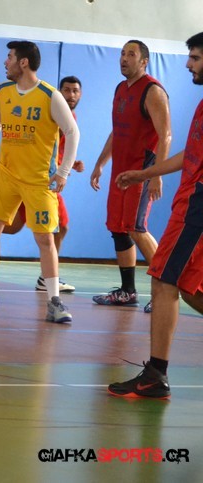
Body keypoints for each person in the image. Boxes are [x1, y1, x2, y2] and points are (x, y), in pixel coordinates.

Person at [108, 32, 203, 399]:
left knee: (164, 279)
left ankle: (155, 375)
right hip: (189, 199)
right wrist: (146, 174)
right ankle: (155, 374)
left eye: (195, 58)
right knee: (187, 284)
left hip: (197, 203)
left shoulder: (153, 91)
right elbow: (189, 154)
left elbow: (169, 139)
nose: (188, 64)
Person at [0, 41, 79, 323]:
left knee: (45, 239)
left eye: (9, 57)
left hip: (38, 180)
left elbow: (72, 132)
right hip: (6, 174)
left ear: (23, 62)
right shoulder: (4, 91)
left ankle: (54, 301)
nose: (5, 62)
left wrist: (63, 172)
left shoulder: (50, 95)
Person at [90, 40, 172, 313]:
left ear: (144, 61)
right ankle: (127, 291)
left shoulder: (153, 91)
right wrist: (100, 163)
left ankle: (165, 290)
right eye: (122, 54)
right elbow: (117, 130)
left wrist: (157, 175)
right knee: (118, 228)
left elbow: (165, 135)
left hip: (142, 170)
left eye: (131, 54)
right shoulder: (121, 89)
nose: (124, 58)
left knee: (136, 228)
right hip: (120, 171)